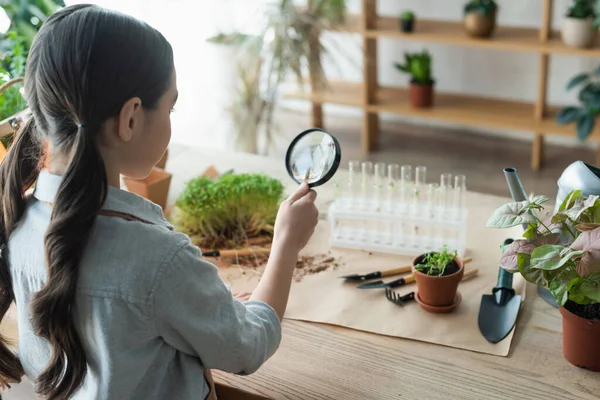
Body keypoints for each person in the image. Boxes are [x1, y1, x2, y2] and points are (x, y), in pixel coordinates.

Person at [0, 4, 318, 400]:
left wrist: (194, 304)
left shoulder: (17, 219)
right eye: (171, 107)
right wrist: (286, 244)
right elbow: (247, 347)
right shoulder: (158, 259)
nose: (171, 118)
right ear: (130, 118)